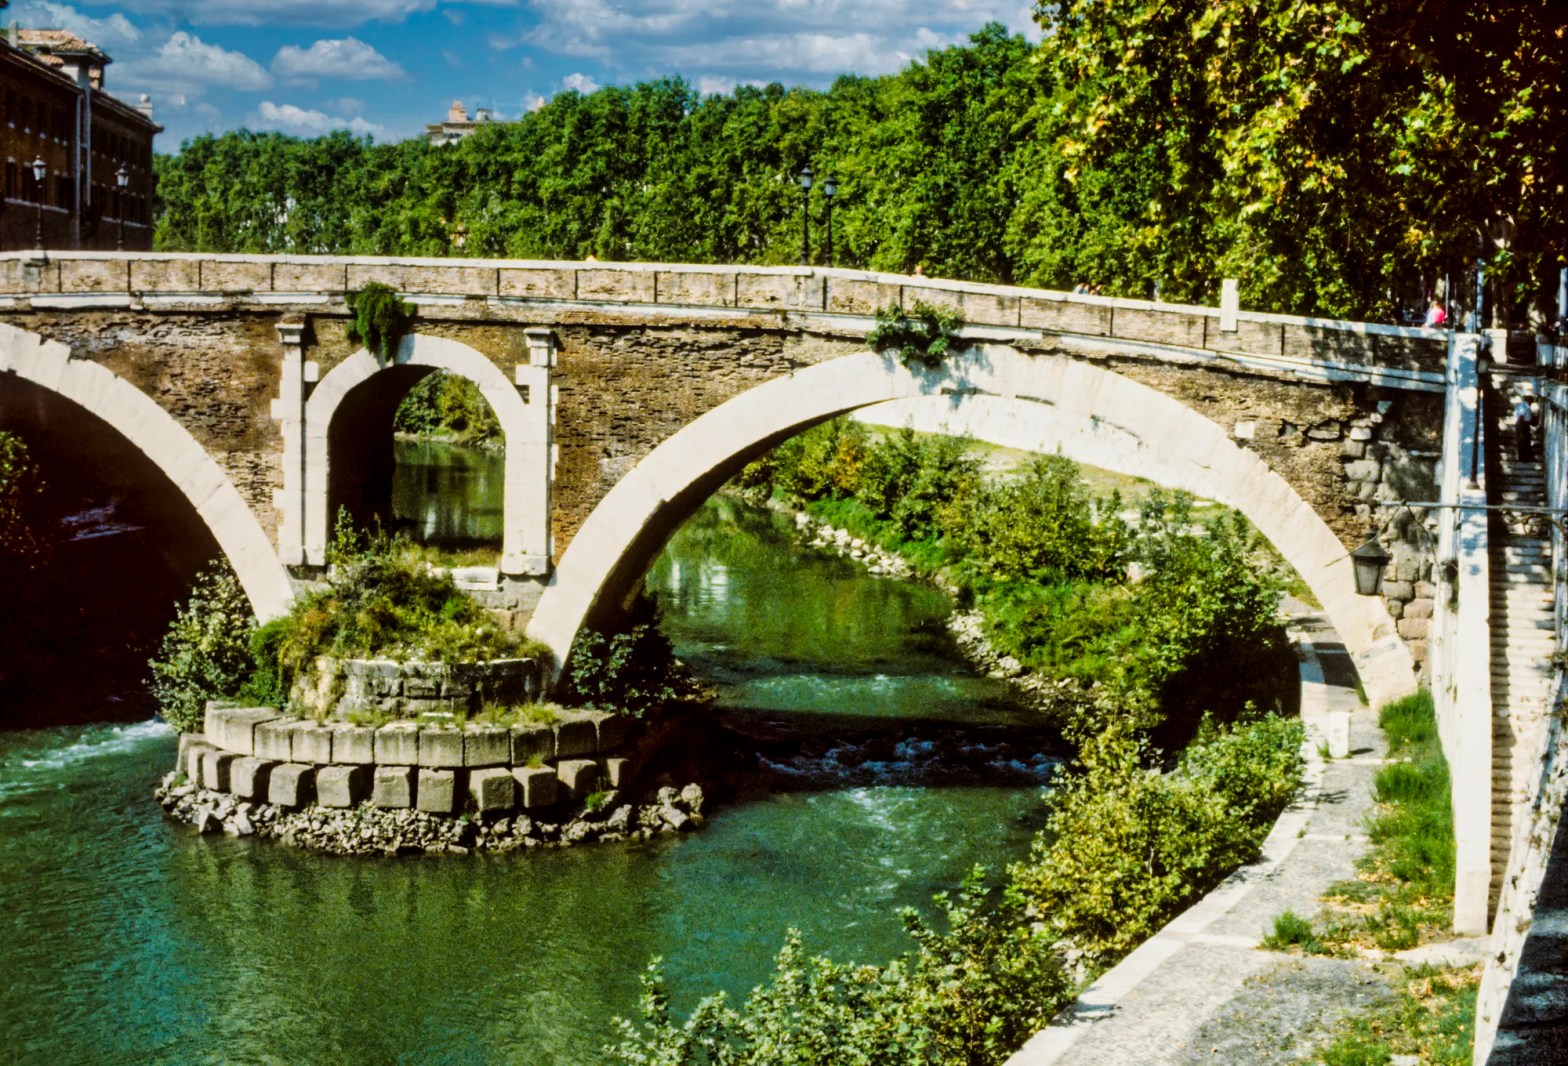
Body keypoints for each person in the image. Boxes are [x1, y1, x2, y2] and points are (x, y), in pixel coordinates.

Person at [1514, 393, 1536, 463]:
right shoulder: (1524, 406)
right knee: (1523, 441)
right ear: (1528, 400)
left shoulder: (1524, 406)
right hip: (1522, 425)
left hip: (1524, 425)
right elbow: (1521, 416)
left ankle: (1526, 458)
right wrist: (1521, 428)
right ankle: (1523, 458)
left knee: (1525, 441)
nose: (1531, 403)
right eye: (1531, 401)